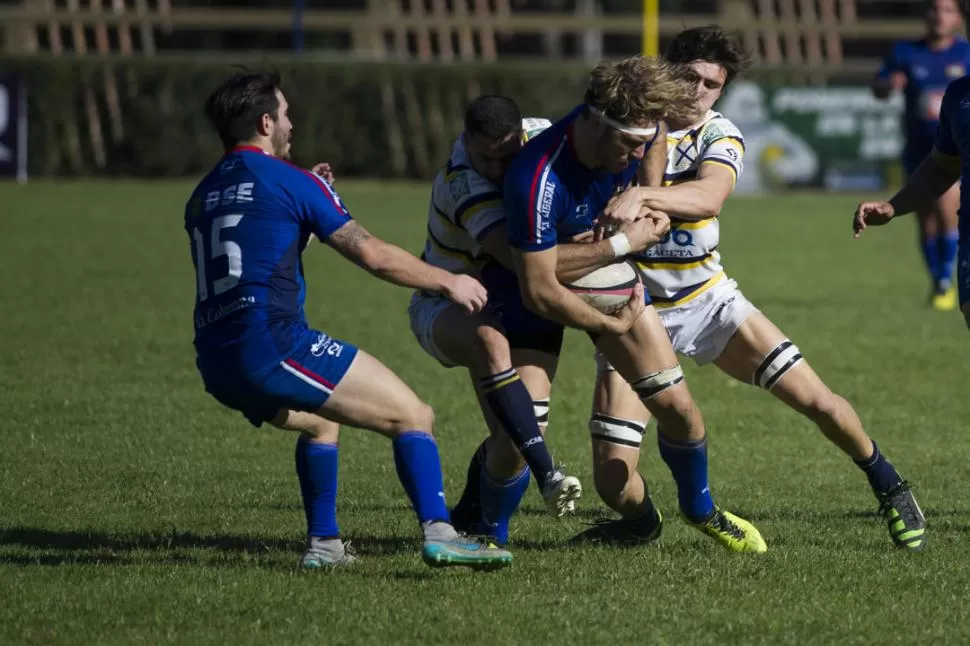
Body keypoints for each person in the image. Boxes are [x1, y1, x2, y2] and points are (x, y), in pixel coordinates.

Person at [571, 26, 926, 553]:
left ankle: (889, 483)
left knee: (818, 402)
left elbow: (710, 196)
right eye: (688, 76)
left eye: (712, 84)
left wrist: (643, 195)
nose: (697, 91)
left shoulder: (720, 135)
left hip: (706, 301)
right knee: (611, 479)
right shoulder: (627, 126)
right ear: (668, 72)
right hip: (631, 312)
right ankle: (643, 522)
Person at [185, 70, 513, 570]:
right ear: (266, 121)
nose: (292, 123)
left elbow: (256, 249)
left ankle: (325, 547)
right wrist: (448, 282)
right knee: (414, 415)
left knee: (319, 423)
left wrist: (307, 208)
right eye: (287, 113)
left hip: (215, 358)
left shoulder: (204, 193)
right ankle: (442, 533)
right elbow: (374, 255)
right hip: (273, 344)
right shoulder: (290, 181)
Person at [503, 55, 768, 553]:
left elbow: (653, 144)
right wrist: (624, 247)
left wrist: (650, 198)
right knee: (517, 436)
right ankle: (482, 532)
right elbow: (537, 287)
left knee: (679, 410)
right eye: (628, 143)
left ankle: (700, 507)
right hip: (537, 288)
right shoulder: (537, 176)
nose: (634, 154)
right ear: (595, 124)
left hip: (603, 275)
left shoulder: (636, 141)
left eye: (644, 142)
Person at [410, 96, 669, 544]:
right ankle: (491, 535)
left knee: (511, 438)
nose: (495, 168)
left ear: (520, 138)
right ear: (466, 141)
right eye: (484, 157)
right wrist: (621, 245)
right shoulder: (463, 185)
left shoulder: (543, 135)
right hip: (453, 304)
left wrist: (641, 194)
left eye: (505, 157)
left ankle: (472, 520)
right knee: (513, 431)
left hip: (522, 298)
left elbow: (645, 124)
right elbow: (523, 263)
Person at [872, 0, 970, 310]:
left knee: (944, 209)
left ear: (957, 18)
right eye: (935, 9)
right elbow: (878, 86)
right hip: (920, 148)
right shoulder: (906, 53)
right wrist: (889, 85)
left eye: (948, 10)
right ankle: (939, 281)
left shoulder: (964, 54)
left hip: (952, 153)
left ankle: (944, 279)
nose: (940, 16)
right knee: (925, 218)